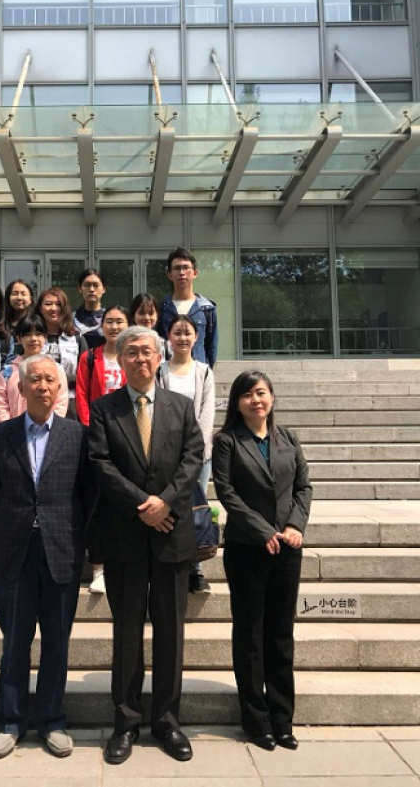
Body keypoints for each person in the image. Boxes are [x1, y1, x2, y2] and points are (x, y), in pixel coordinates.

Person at [88, 326, 204, 765]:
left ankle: (168, 722)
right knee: (127, 632)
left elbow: (193, 458)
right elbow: (100, 463)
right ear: (120, 360)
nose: (140, 358)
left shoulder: (182, 406)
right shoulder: (105, 409)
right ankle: (126, 723)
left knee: (171, 632)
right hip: (125, 536)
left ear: (159, 357)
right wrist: (144, 505)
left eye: (147, 351)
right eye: (131, 352)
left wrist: (165, 502)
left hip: (172, 534)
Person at [0, 355, 96, 760]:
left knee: (56, 643)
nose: (43, 386)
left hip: (61, 551)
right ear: (22, 387)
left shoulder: (78, 436)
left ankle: (52, 720)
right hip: (14, 551)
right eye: (35, 379)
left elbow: (88, 495)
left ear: (60, 387)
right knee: (14, 642)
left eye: (50, 379)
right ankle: (11, 722)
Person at [212, 370, 312, 753]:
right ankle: (256, 721)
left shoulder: (288, 438)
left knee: (280, 634)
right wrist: (262, 530)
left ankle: (282, 720)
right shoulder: (227, 442)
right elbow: (227, 492)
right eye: (248, 395)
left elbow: (303, 486)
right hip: (247, 549)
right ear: (237, 403)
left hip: (287, 548)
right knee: (250, 635)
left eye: (261, 393)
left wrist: (294, 524)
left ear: (271, 397)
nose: (256, 400)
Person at [158, 314, 215, 594]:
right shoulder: (160, 371)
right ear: (168, 338)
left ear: (196, 337)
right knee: (170, 505)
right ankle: (173, 561)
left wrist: (196, 450)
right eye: (177, 332)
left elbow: (207, 414)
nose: (182, 337)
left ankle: (196, 568)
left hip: (198, 454)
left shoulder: (204, 371)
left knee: (195, 508)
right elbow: (159, 409)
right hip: (167, 452)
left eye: (187, 332)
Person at [75, 304, 130, 596]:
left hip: (128, 438)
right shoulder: (89, 357)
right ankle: (98, 568)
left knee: (125, 504)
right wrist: (90, 430)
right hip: (96, 437)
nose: (114, 327)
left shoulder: (131, 356)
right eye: (109, 321)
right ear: (101, 326)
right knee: (97, 505)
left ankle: (124, 565)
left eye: (120, 321)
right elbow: (82, 396)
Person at [0, 313, 68, 422]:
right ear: (19, 339)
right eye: (28, 335)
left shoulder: (56, 369)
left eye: (38, 334)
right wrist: (8, 428)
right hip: (13, 429)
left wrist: (51, 427)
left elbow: (60, 403)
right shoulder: (8, 372)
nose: (33, 339)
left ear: (45, 337)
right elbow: (1, 405)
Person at [159, 247, 218, 370]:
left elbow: (211, 347)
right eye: (177, 268)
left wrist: (206, 372)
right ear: (169, 275)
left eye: (186, 267)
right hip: (168, 373)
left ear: (195, 273)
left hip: (197, 372)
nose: (181, 272)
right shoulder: (162, 309)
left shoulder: (206, 309)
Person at [37, 286, 88, 419]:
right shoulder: (34, 338)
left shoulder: (77, 339)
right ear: (40, 308)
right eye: (48, 304)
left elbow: (85, 376)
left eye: (58, 304)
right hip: (40, 399)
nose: (53, 308)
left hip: (71, 402)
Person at [73, 268, 107, 350]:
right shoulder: (71, 319)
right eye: (87, 285)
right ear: (80, 288)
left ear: (104, 289)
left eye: (96, 285)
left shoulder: (109, 318)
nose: (91, 289)